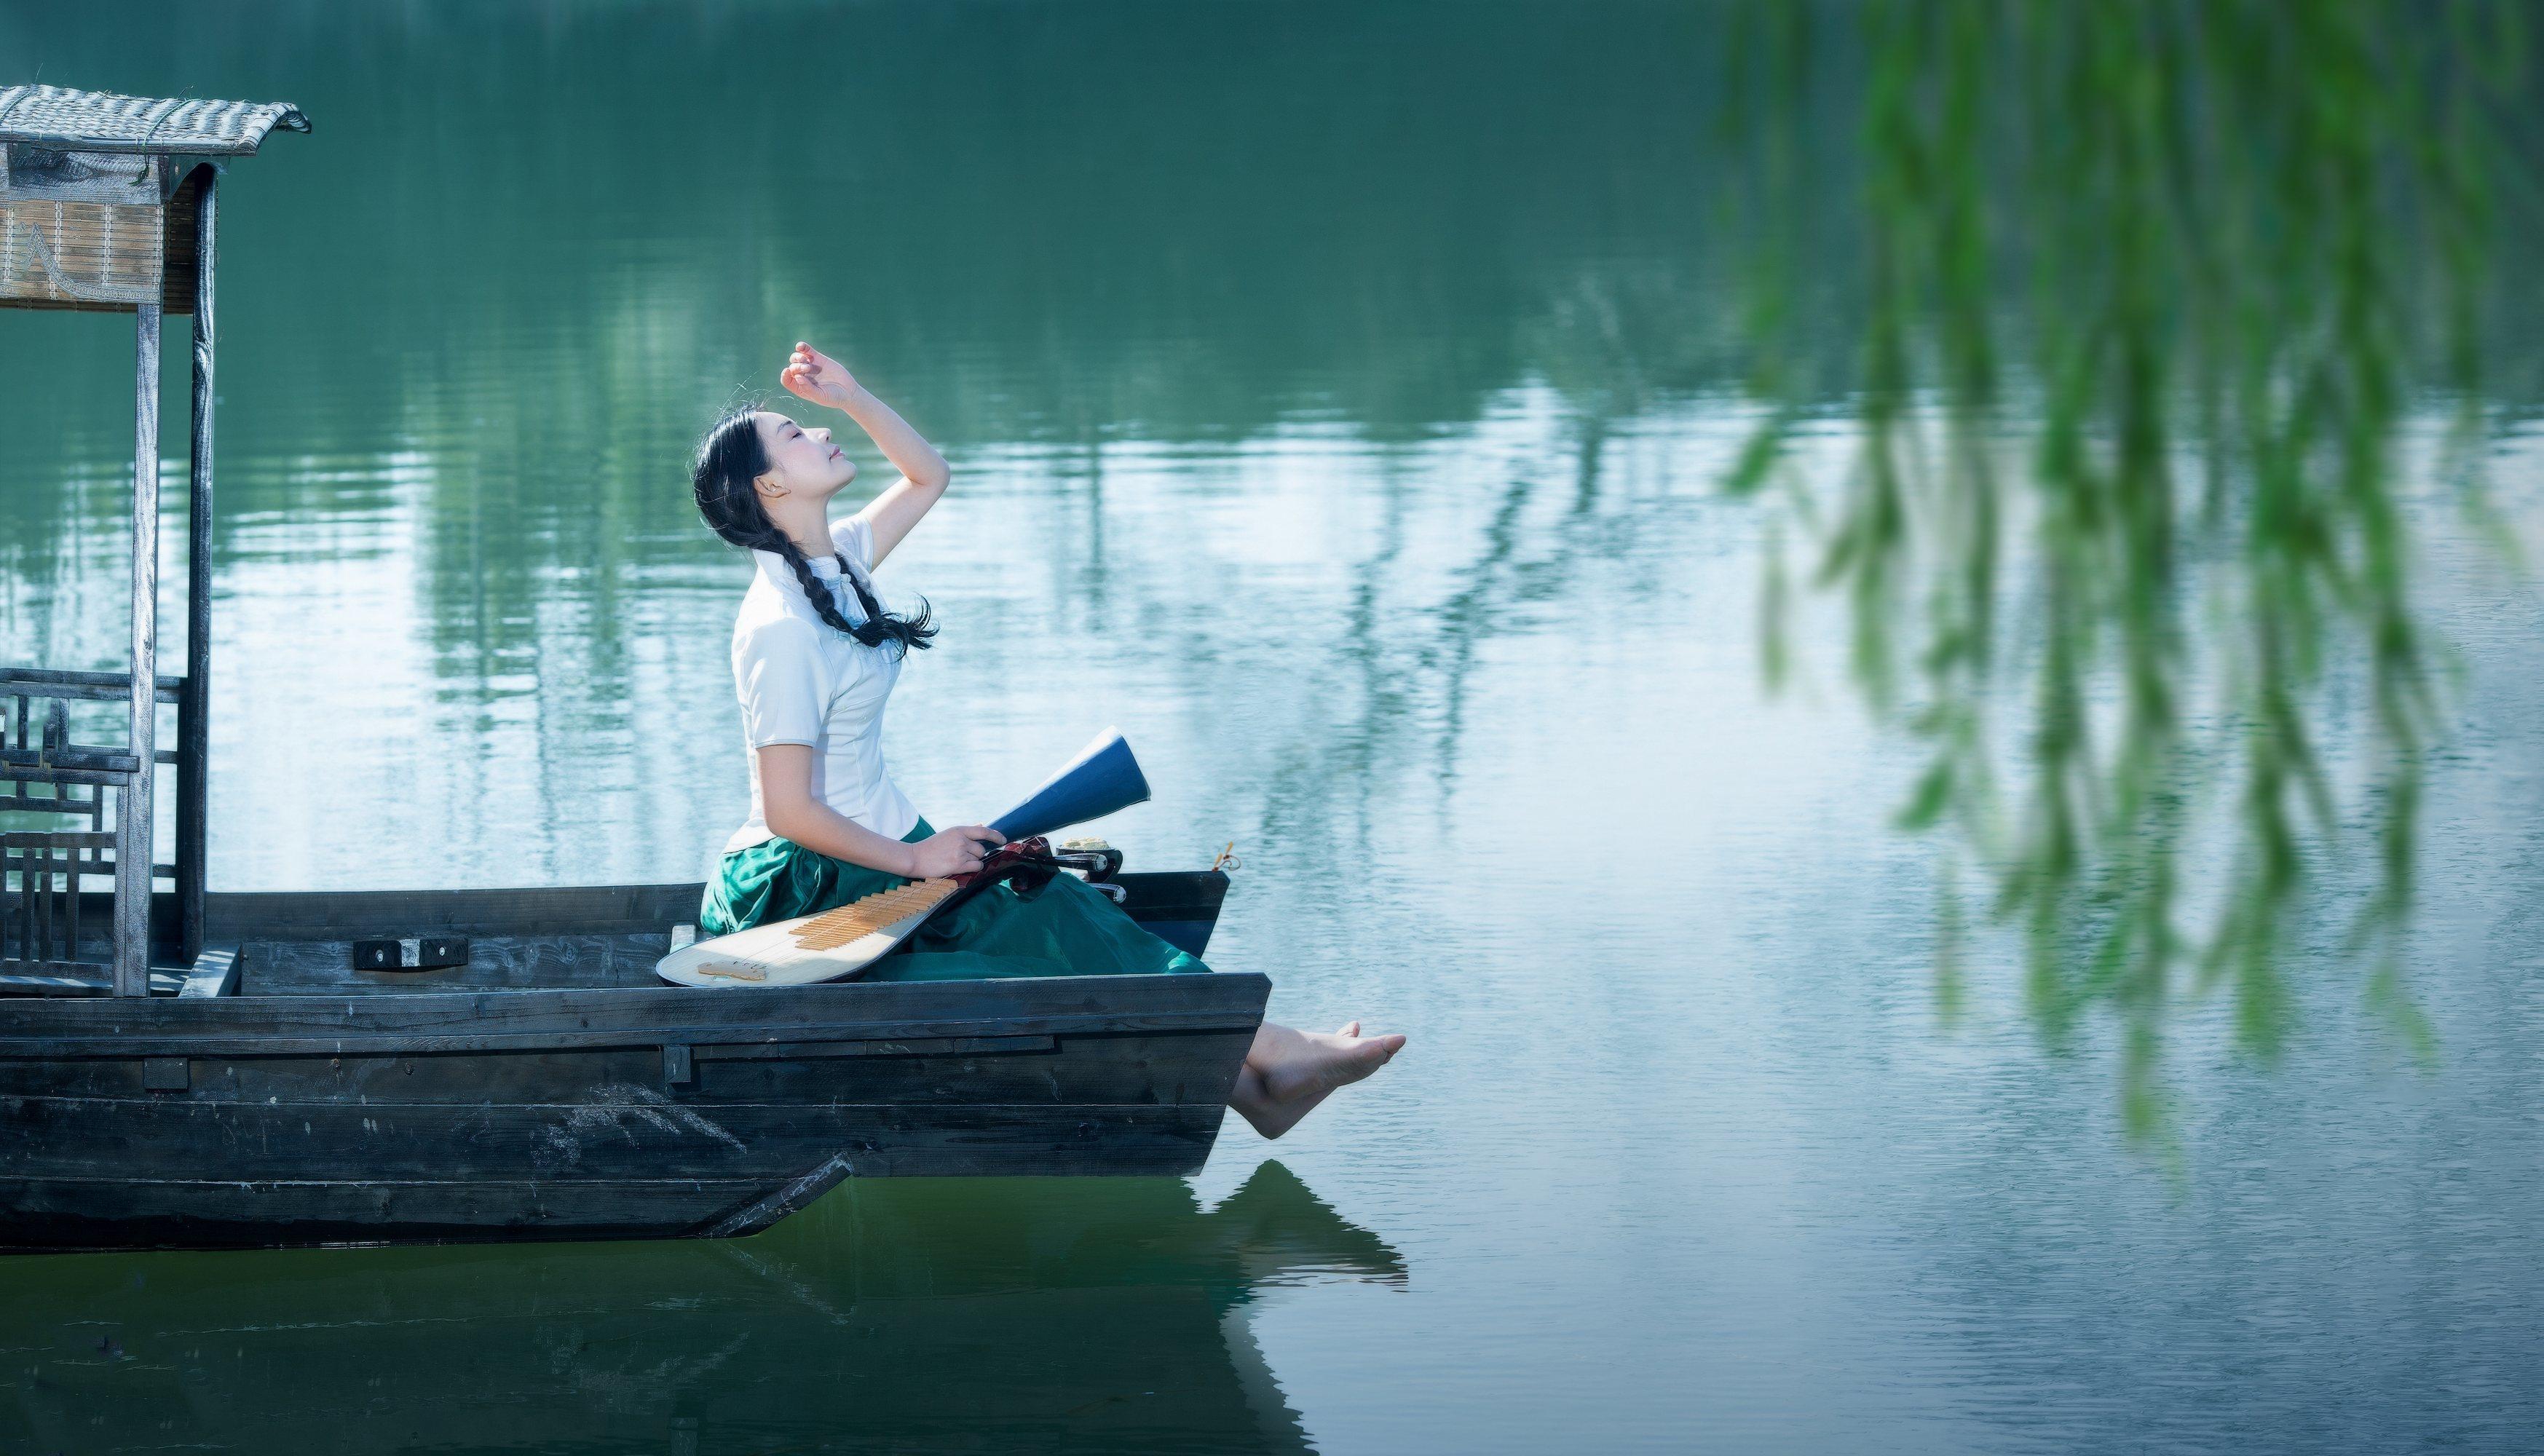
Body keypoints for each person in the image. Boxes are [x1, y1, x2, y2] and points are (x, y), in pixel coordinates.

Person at [690, 342, 1403, 1139]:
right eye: (795, 434)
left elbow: (929, 474)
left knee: (1062, 905)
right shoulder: (777, 626)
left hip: (882, 839)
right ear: (770, 485)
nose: (818, 434)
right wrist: (920, 860)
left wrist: (850, 395)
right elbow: (788, 809)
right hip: (811, 876)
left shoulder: (840, 559)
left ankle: (1261, 1077)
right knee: (1046, 923)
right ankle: (1271, 1066)